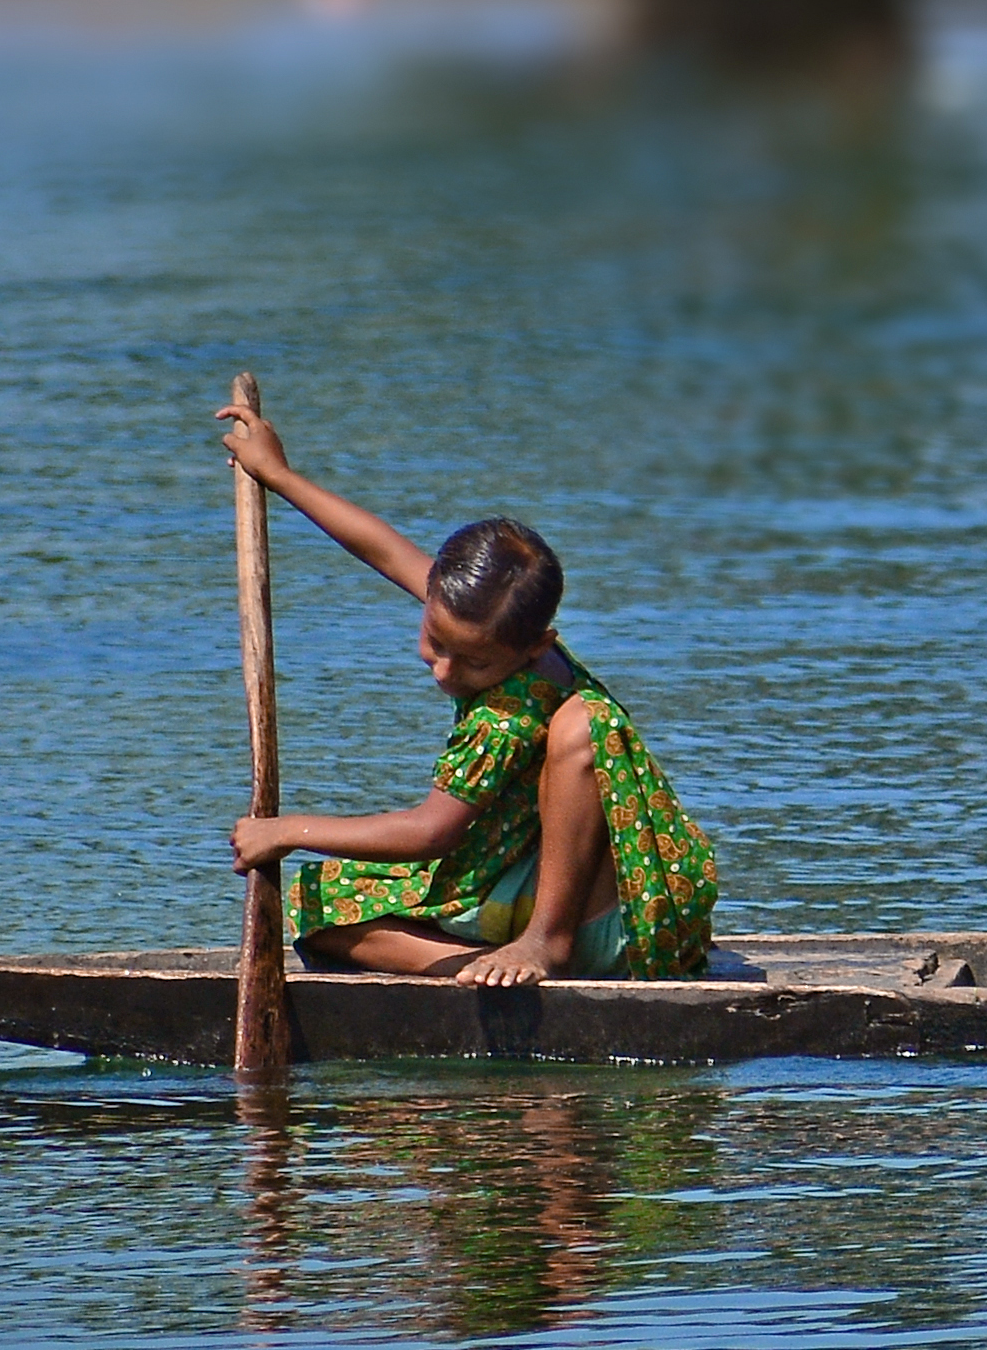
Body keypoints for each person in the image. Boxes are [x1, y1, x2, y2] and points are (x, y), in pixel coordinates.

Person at [212, 404, 718, 984]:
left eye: (474, 662)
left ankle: (539, 949)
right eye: (435, 641)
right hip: (532, 882)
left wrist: (286, 831)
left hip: (608, 924)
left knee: (582, 724)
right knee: (318, 905)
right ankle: (483, 964)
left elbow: (432, 832)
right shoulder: (492, 622)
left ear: (535, 647)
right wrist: (281, 476)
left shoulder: (505, 714)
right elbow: (384, 549)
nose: (445, 672)